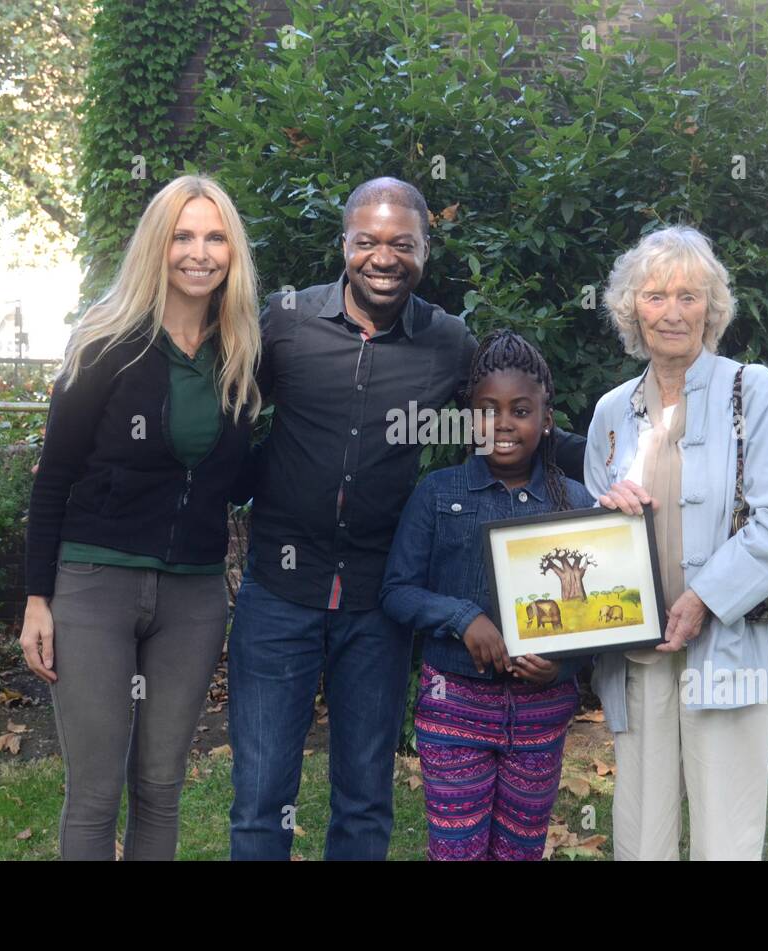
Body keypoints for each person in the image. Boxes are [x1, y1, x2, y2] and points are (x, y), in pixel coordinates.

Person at [226, 177, 586, 860]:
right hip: (279, 591)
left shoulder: (448, 341)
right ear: (344, 244)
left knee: (364, 797)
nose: (382, 257)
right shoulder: (287, 321)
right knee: (261, 798)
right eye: (366, 242)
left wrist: (606, 458)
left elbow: (509, 420)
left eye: (402, 243)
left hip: (375, 603)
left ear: (425, 249)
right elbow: (229, 419)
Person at [19, 175, 262, 860]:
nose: (199, 252)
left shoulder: (241, 354)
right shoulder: (104, 342)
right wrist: (39, 597)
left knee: (160, 784)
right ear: (157, 245)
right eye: (182, 236)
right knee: (95, 792)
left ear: (231, 252)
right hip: (95, 584)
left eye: (215, 237)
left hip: (192, 594)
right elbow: (55, 475)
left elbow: (238, 475)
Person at [585, 224, 768, 860]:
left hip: (735, 647)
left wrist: (704, 600)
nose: (672, 312)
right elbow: (591, 535)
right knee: (640, 835)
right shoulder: (610, 411)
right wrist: (604, 510)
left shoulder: (757, 391)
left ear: (712, 310)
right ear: (631, 307)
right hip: (639, 652)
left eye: (690, 296)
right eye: (656, 295)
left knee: (727, 836)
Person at [380, 330, 594, 861]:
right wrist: (460, 616)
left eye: (520, 410)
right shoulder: (438, 494)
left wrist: (563, 666)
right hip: (453, 706)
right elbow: (397, 591)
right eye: (487, 410)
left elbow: (597, 619)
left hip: (541, 714)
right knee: (456, 849)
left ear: (546, 419)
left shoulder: (576, 504)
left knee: (520, 849)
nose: (502, 424)